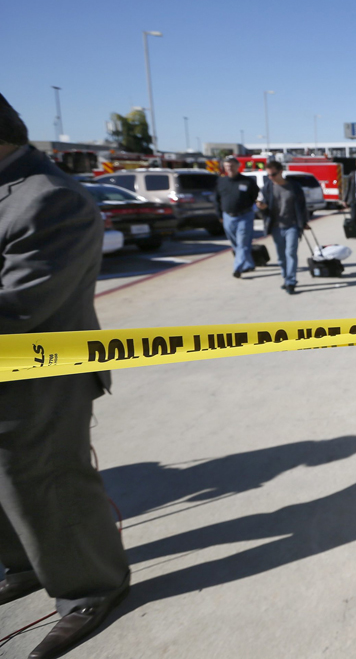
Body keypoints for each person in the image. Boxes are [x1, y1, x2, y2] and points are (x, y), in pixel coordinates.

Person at [0, 92, 131, 659]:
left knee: (45, 484)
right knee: (8, 489)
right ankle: (25, 563)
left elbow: (21, 308)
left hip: (37, 383)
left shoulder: (48, 198)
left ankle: (89, 586)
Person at [257, 160, 308, 295]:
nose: (270, 177)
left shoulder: (294, 187)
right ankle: (286, 278)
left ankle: (291, 282)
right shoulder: (267, 188)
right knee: (281, 257)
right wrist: (262, 207)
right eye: (268, 175)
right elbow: (262, 205)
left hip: (292, 225)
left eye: (273, 174)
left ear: (281, 172)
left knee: (290, 253)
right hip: (276, 227)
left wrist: (304, 222)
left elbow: (302, 206)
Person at [214, 156, 259, 278]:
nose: (230, 167)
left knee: (243, 243)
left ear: (238, 166)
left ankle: (238, 268)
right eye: (227, 165)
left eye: (233, 165)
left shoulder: (247, 181)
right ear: (224, 167)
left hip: (244, 216)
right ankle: (249, 264)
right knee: (236, 244)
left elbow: (255, 195)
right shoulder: (220, 181)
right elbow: (217, 200)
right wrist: (220, 215)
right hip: (228, 216)